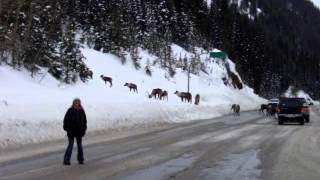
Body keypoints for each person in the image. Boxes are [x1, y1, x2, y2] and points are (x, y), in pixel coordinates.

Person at [63, 98, 87, 165]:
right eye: (75, 103)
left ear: (79, 103)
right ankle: (66, 160)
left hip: (79, 132)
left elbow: (84, 121)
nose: (76, 104)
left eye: (78, 102)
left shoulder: (82, 111)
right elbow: (65, 121)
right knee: (70, 145)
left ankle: (81, 160)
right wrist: (67, 129)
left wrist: (84, 129)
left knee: (80, 146)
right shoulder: (70, 110)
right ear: (73, 103)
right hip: (71, 132)